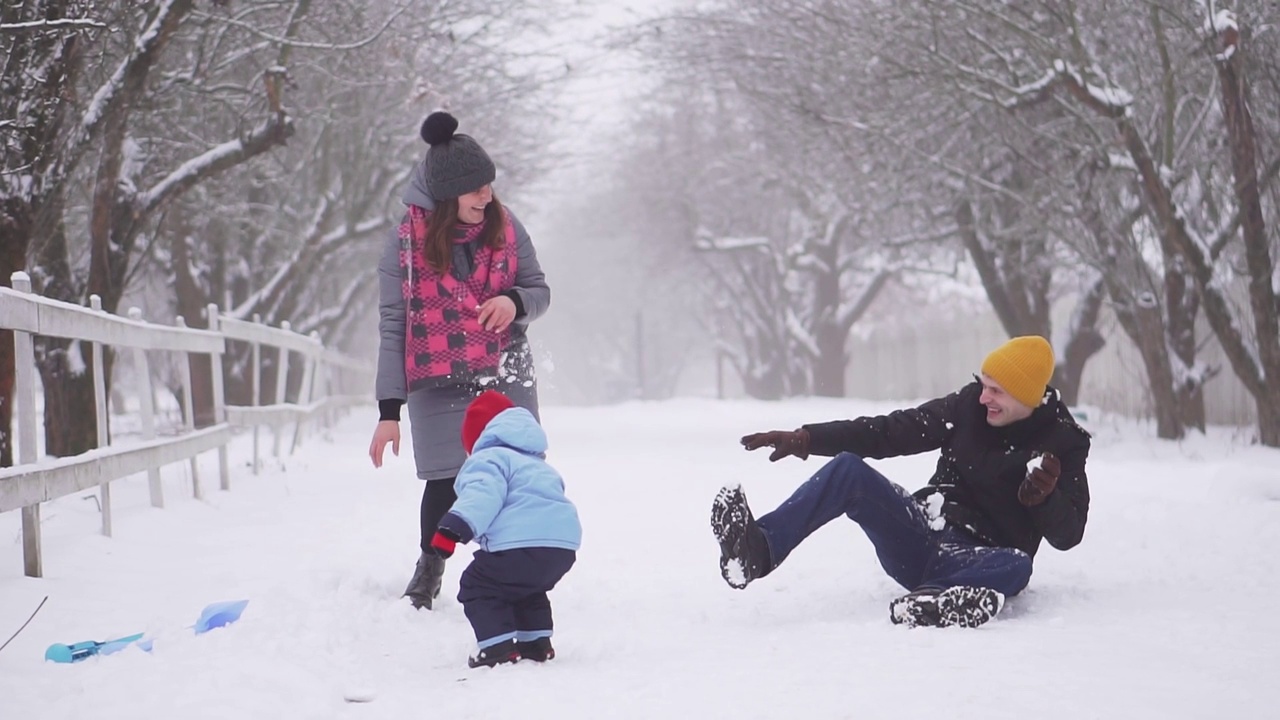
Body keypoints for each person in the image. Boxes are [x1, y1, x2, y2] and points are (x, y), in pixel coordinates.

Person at [711, 335, 1090, 628]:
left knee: (1018, 566)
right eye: (983, 383)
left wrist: (1044, 497)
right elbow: (889, 432)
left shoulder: (1063, 442)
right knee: (848, 470)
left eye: (996, 391)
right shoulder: (967, 407)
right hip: (922, 531)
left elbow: (1068, 535)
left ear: (1025, 396)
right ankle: (755, 551)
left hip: (982, 558)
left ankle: (933, 602)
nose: (984, 396)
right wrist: (807, 439)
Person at [370, 111, 550, 610]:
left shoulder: (507, 229)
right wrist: (389, 412)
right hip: (435, 372)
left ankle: (512, 571)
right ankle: (430, 567)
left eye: (489, 185)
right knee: (447, 479)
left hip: (504, 363)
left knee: (514, 469)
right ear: (448, 196)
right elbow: (394, 325)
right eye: (475, 189)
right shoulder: (404, 246)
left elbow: (539, 291)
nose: (486, 197)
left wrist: (513, 302)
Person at [426, 390, 581, 668]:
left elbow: (482, 495)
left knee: (478, 585)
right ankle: (536, 643)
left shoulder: (488, 460)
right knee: (526, 588)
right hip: (562, 547)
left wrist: (453, 529)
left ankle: (495, 646)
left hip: (519, 545)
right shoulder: (537, 464)